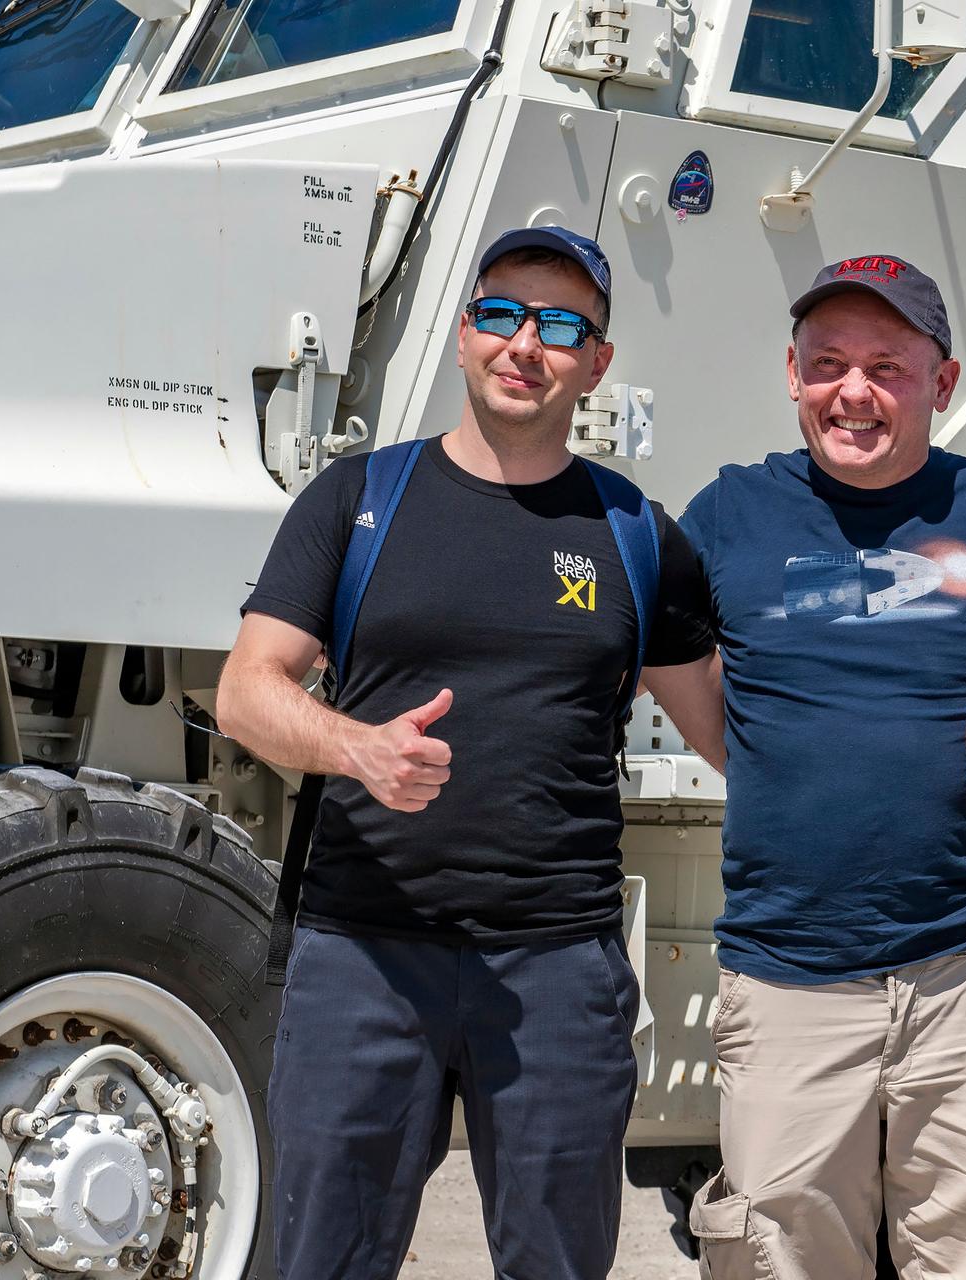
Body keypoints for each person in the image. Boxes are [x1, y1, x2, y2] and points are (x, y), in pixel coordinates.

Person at [219, 226, 723, 1280]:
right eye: (501, 313)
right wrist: (356, 746)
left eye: (559, 324)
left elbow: (731, 732)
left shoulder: (636, 533)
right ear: (462, 333)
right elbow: (248, 693)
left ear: (597, 360)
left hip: (557, 973)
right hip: (363, 955)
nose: (523, 342)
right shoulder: (357, 501)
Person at [678, 255, 966, 1280]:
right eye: (828, 364)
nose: (853, 391)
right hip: (786, 978)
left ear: (940, 383)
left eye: (887, 367)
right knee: (781, 1260)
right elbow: (704, 707)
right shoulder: (726, 516)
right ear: (792, 373)